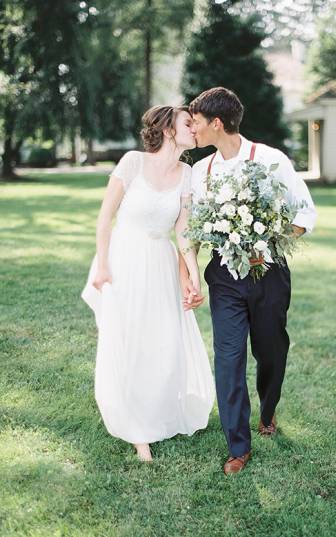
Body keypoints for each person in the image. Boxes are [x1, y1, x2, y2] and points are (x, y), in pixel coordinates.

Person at [179, 87, 317, 475]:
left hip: (269, 272)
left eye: (198, 122)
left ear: (217, 123)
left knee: (271, 352)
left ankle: (268, 409)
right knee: (229, 359)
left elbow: (305, 211)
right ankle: (238, 446)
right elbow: (192, 226)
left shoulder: (270, 159)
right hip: (224, 277)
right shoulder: (200, 172)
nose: (193, 128)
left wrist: (270, 236)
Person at [81, 105, 214, 462]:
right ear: (169, 129)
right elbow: (105, 219)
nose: (194, 128)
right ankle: (137, 430)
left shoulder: (187, 173)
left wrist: (193, 273)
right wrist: (103, 266)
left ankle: (157, 412)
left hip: (160, 262)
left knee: (164, 340)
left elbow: (183, 229)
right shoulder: (132, 163)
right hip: (123, 261)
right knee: (130, 339)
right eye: (188, 123)